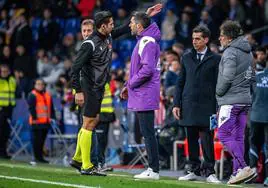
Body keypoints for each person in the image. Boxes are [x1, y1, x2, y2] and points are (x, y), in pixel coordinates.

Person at [70, 5, 163, 176]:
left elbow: (128, 27)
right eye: (111, 24)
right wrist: (78, 91)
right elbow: (74, 68)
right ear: (103, 26)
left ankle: (77, 158)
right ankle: (86, 165)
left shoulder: (107, 37)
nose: (114, 26)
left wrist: (145, 16)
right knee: (89, 123)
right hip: (89, 87)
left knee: (91, 121)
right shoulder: (90, 43)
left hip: (97, 88)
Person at [172, 25, 221, 183]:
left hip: (208, 106)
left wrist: (218, 107)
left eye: (198, 38)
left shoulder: (215, 59)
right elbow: (180, 82)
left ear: (206, 40)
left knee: (207, 139)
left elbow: (218, 85)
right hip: (189, 105)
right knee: (190, 138)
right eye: (193, 38)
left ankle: (209, 172)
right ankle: (192, 169)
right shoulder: (186, 57)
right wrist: (176, 104)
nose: (194, 41)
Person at [120, 12, 161, 180]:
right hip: (144, 92)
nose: (129, 25)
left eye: (131, 23)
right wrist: (127, 86)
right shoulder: (146, 40)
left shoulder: (147, 42)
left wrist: (130, 84)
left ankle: (153, 169)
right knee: (147, 132)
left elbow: (147, 70)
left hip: (145, 93)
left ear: (139, 26)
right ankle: (153, 168)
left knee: (148, 132)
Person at [216, 20, 255, 184]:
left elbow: (227, 76)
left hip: (230, 101)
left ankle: (244, 167)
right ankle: (236, 172)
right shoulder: (249, 52)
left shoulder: (230, 52)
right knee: (238, 138)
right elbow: (252, 76)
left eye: (222, 36)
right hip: (244, 101)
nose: (219, 39)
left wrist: (218, 91)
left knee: (223, 134)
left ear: (229, 37)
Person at [249, 60, 268, 186]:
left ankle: (253, 172)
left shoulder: (256, 77)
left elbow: (249, 96)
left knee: (254, 143)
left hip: (255, 116)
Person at [27, 78, 55, 163]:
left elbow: (51, 108)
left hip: (46, 122)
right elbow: (31, 108)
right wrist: (35, 118)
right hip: (36, 122)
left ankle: (40, 157)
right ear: (35, 85)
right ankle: (36, 157)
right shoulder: (32, 94)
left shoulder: (47, 95)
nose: (40, 86)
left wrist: (52, 118)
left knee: (42, 141)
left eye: (42, 84)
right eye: (38, 84)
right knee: (37, 141)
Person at [0, 65, 16, 159]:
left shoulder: (12, 80)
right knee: (1, 131)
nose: (4, 73)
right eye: (2, 71)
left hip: (9, 109)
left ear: (9, 72)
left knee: (6, 132)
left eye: (6, 71)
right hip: (1, 108)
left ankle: (3, 152)